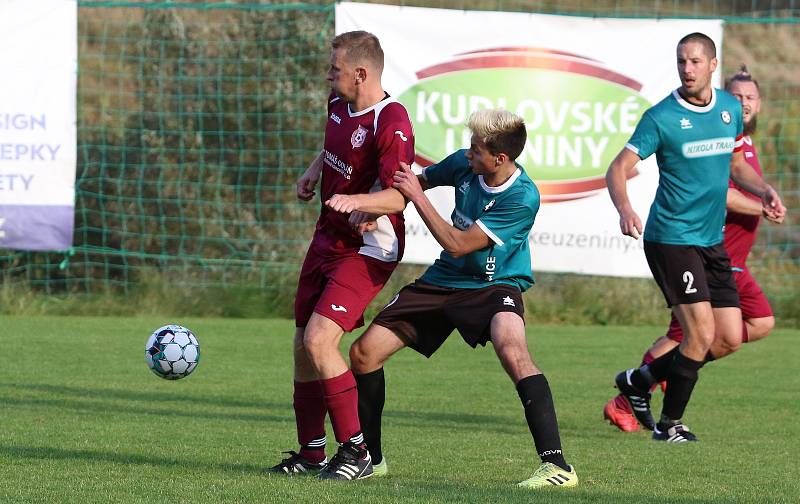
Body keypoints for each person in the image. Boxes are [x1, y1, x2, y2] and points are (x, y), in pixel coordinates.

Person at [328, 108, 578, 489]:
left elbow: (458, 244)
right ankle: (370, 459)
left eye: (477, 150)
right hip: (444, 280)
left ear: (500, 159)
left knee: (513, 350)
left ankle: (557, 465)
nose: (469, 153)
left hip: (495, 285)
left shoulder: (522, 197)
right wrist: (370, 208)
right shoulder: (465, 164)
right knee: (364, 354)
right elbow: (410, 187)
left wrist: (415, 196)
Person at [606, 33, 786, 443]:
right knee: (699, 335)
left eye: (694, 62)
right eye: (681, 62)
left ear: (712, 64)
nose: (687, 69)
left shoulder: (727, 109)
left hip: (710, 242)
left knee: (726, 340)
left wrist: (763, 190)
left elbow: (737, 165)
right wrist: (625, 208)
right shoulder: (662, 117)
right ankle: (670, 426)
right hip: (671, 238)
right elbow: (617, 168)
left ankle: (640, 380)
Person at [268, 30, 415, 480]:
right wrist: (313, 172)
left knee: (319, 341)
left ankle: (357, 453)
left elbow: (399, 197)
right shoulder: (338, 104)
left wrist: (358, 203)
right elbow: (335, 146)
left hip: (368, 247)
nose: (328, 75)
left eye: (334, 69)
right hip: (326, 238)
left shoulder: (391, 122)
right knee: (301, 347)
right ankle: (311, 453)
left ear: (361, 72)